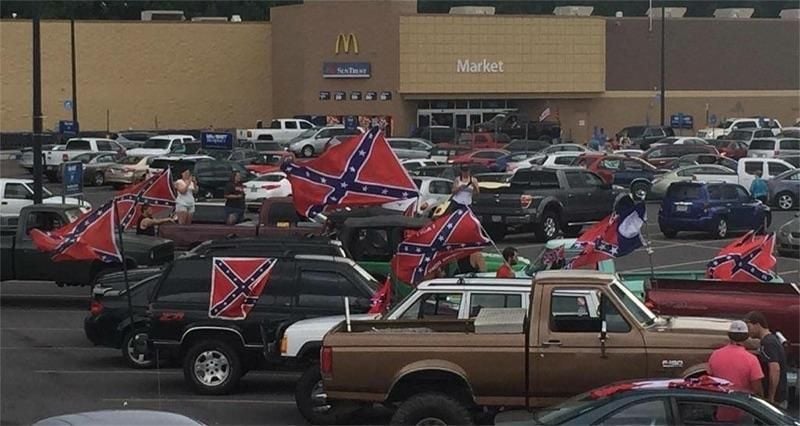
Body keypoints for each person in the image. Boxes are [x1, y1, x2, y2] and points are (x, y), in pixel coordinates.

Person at [707, 320, 764, 422]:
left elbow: (710, 381)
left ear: (729, 335)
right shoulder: (751, 359)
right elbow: (757, 389)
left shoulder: (715, 355)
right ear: (746, 336)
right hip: (745, 412)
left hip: (721, 411)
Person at [744, 311, 788, 408]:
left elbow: (775, 369)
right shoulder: (771, 339)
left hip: (776, 398)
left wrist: (771, 396)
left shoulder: (768, 343)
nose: (748, 331)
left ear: (757, 324)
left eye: (749, 327)